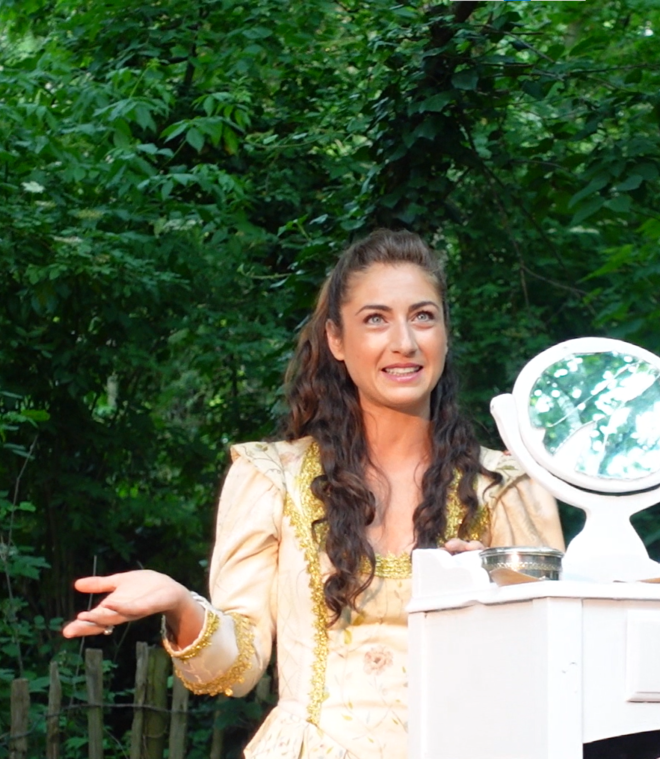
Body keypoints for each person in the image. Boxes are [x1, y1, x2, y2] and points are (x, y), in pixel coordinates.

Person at [62, 229, 564, 758]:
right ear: (336, 341)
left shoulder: (508, 486)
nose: (405, 342)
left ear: (445, 332)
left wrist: (494, 601)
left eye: (423, 316)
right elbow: (235, 669)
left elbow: (557, 670)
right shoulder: (273, 477)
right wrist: (180, 604)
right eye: (376, 319)